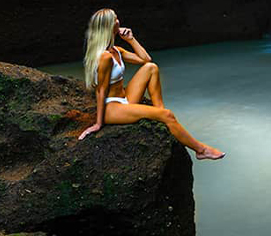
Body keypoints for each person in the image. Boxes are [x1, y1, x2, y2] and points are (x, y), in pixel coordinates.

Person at [76, 8, 224, 160]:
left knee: (151, 68)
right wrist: (98, 123)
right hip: (112, 107)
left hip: (125, 99)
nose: (118, 21)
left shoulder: (116, 50)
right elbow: (101, 90)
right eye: (115, 19)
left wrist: (131, 39)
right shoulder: (105, 57)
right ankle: (201, 150)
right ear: (108, 26)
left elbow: (146, 59)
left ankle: (160, 111)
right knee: (168, 115)